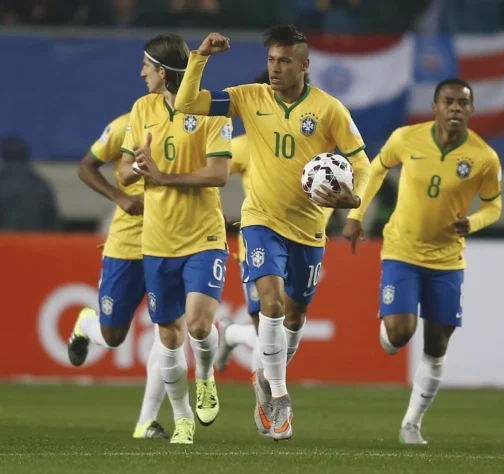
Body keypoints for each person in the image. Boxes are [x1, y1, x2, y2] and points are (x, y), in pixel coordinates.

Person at [174, 25, 371, 441]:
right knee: (272, 303)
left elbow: (362, 162)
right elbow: (186, 103)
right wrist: (201, 56)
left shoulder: (329, 109)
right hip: (260, 222)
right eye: (271, 60)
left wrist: (354, 201)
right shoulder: (249, 97)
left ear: (304, 64)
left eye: (284, 61)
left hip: (309, 230)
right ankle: (279, 397)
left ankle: (260, 370)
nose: (275, 68)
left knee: (294, 318)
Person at [343, 78, 502, 445]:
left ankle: (411, 424)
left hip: (447, 260)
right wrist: (356, 216)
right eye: (448, 101)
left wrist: (473, 223)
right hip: (402, 250)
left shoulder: (483, 157)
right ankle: (388, 323)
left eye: (463, 102)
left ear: (472, 110)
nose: (456, 108)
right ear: (435, 107)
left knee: (437, 344)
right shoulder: (406, 139)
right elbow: (377, 168)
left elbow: (495, 206)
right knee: (399, 334)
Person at [115, 33, 231, 444]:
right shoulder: (142, 108)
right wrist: (140, 167)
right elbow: (124, 172)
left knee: (199, 326)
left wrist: (165, 177)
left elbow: (219, 174)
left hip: (203, 236)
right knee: (168, 336)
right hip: (158, 239)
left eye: (146, 66)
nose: (141, 72)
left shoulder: (212, 108)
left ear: (162, 71)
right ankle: (182, 419)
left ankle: (206, 373)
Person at [214, 71, 336, 377]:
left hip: (304, 236)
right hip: (259, 237)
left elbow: (330, 185)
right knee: (266, 324)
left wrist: (323, 222)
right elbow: (209, 179)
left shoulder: (314, 137)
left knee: (287, 323)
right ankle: (268, 398)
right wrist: (216, 215)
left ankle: (230, 335)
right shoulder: (243, 146)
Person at [67, 112, 169, 439]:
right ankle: (85, 324)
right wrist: (120, 197)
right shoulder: (127, 123)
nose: (143, 73)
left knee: (168, 333)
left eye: (148, 67)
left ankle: (146, 422)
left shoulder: (190, 122)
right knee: (113, 337)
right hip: (127, 246)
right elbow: (86, 166)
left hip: (171, 243)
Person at [0, 135, 61, 231]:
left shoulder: (2, 184)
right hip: (33, 244)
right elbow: (53, 226)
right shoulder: (41, 185)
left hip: (4, 244)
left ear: (3, 155)